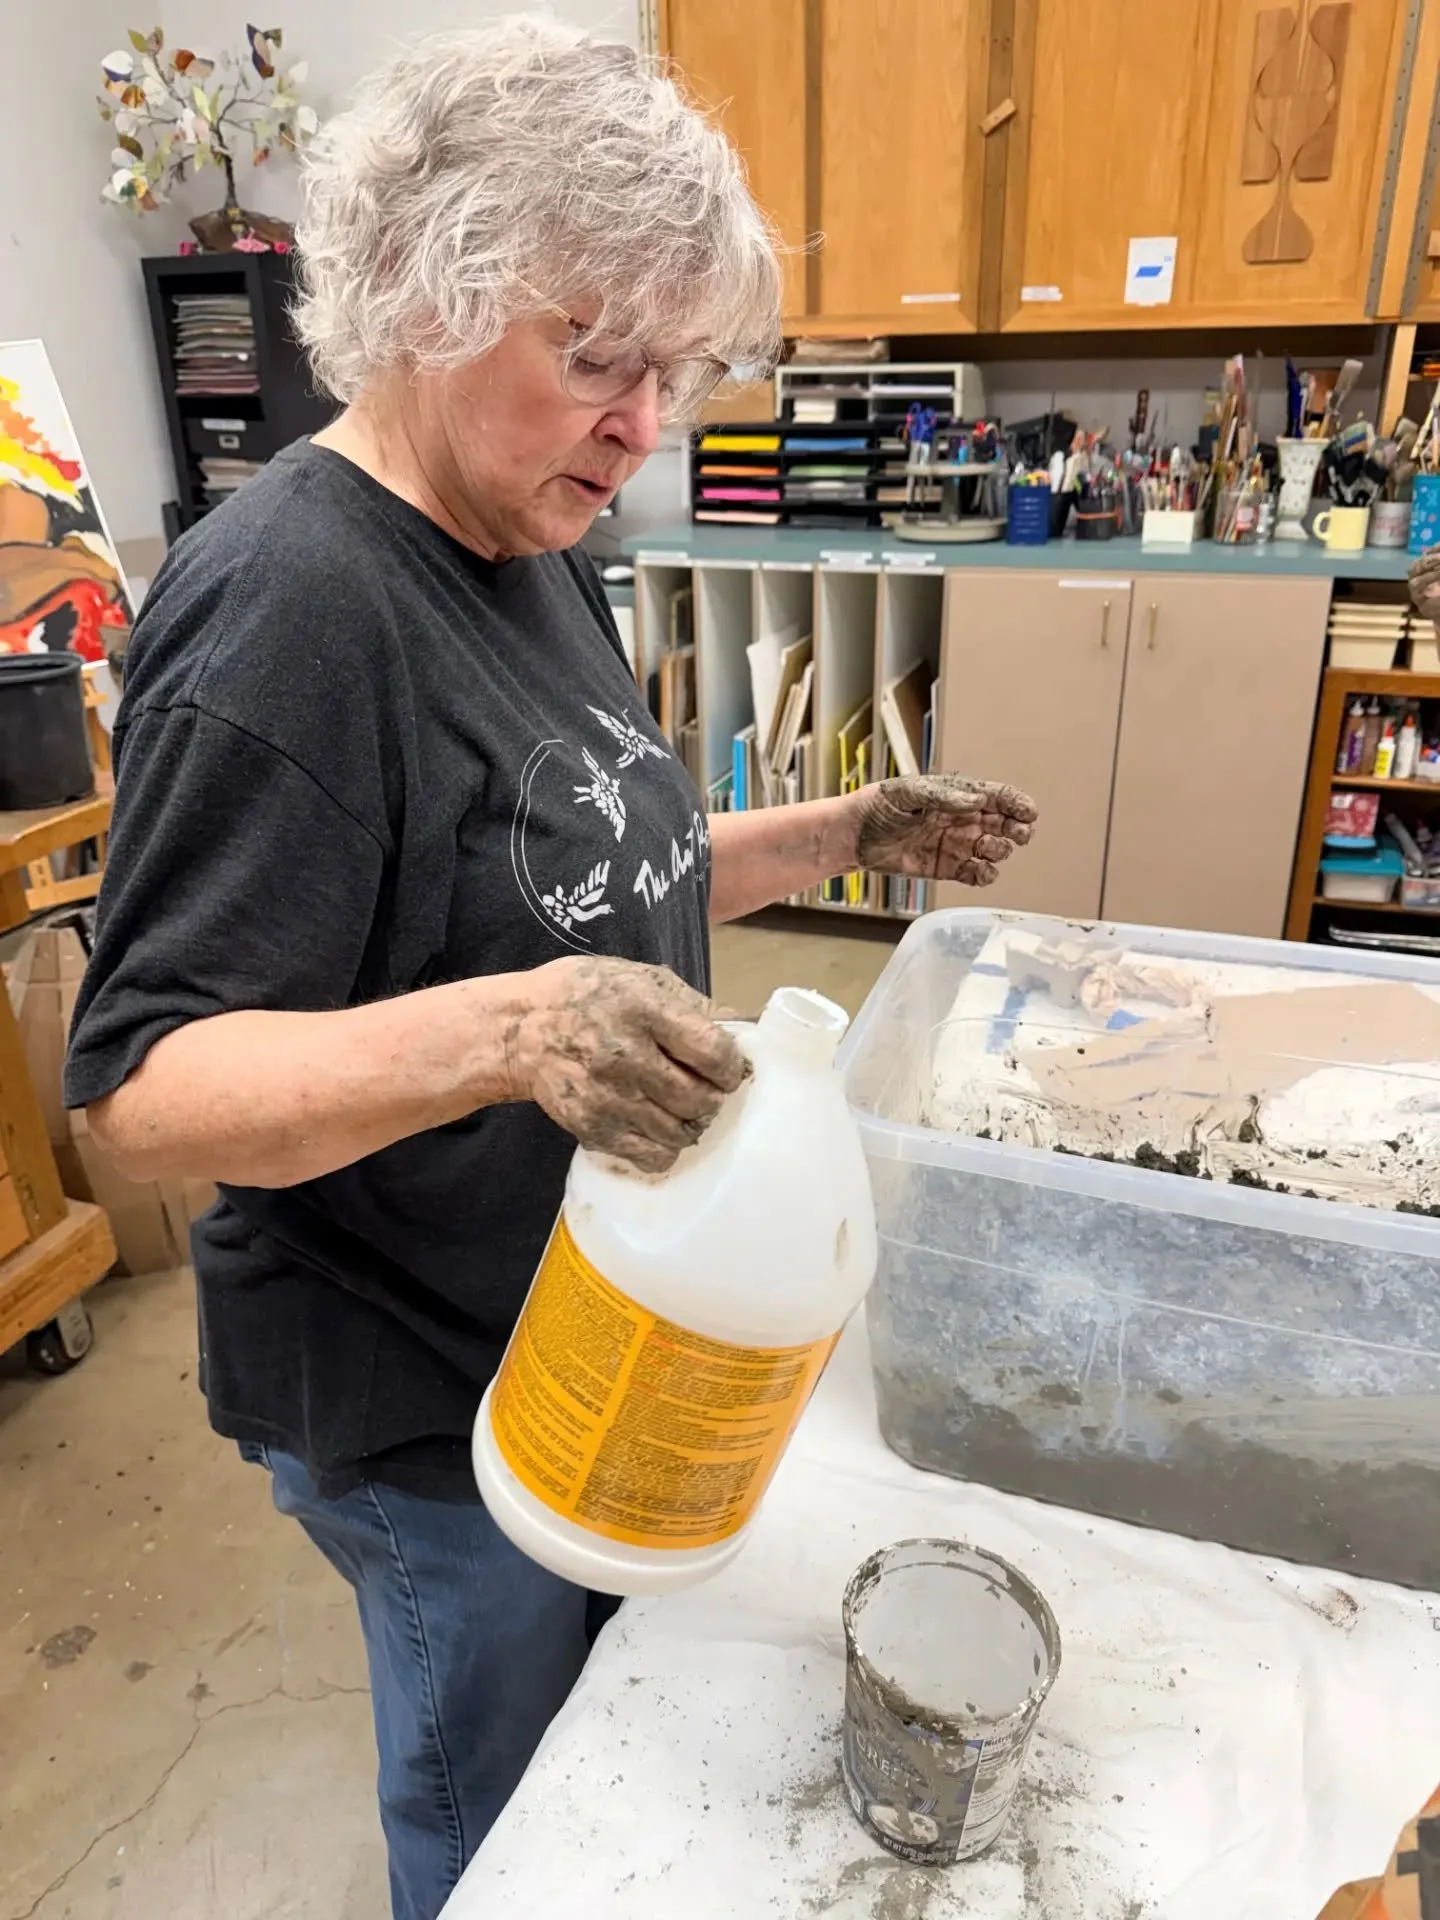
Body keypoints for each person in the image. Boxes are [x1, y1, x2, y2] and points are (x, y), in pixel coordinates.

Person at [63, 19, 1036, 1920]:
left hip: (571, 1313)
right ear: (427, 302)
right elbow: (142, 1090)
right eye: (594, 355)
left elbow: (590, 871)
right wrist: (519, 1029)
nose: (642, 419)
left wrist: (843, 832)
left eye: (667, 367)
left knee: (603, 1732)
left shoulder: (529, 535)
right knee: (506, 1808)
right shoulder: (290, 614)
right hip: (412, 1386)